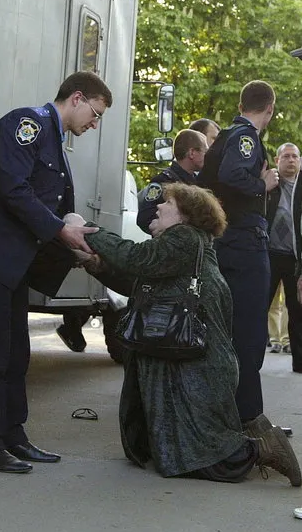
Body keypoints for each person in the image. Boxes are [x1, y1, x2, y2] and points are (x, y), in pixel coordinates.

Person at [82, 183, 301, 486]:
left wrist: (87, 231)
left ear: (185, 216)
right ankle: (256, 435)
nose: (157, 207)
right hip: (195, 361)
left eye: (167, 203)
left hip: (197, 365)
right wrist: (96, 264)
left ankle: (263, 448)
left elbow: (135, 259)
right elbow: (138, 281)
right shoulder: (183, 245)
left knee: (206, 455)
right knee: (190, 447)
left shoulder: (183, 239)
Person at [0, 72, 111, 473]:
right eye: (95, 114)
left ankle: (13, 435)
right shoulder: (26, 125)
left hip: (17, 266)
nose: (94, 124)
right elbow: (13, 189)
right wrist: (60, 229)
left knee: (15, 354)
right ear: (77, 97)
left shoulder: (53, 137)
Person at [198, 80, 280, 436]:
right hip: (243, 244)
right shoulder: (245, 137)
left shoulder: (225, 137)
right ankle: (250, 419)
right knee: (248, 334)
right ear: (270, 110)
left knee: (231, 334)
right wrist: (263, 185)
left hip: (227, 242)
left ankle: (233, 414)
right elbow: (234, 174)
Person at [266, 143, 302, 365]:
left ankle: (299, 361)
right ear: (277, 160)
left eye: (294, 156)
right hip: (269, 254)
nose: (291, 160)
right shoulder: (271, 186)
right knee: (262, 304)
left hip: (294, 257)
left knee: (296, 309)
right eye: (286, 156)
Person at [137, 129, 208, 234]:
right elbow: (145, 218)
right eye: (205, 151)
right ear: (192, 153)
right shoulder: (163, 182)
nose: (207, 157)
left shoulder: (199, 182)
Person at [268, 283, 290, 353]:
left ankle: (287, 341)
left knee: (287, 302)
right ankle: (275, 341)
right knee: (272, 304)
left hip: (289, 272)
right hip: (273, 272)